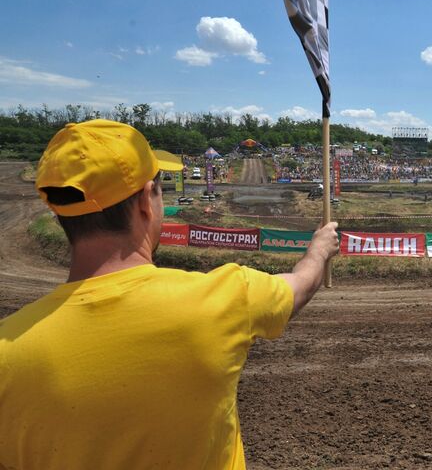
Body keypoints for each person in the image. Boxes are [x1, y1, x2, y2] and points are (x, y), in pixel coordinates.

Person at [0, 119, 339, 470]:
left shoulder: (6, 354)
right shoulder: (224, 297)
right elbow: (301, 285)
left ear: (59, 214)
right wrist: (319, 249)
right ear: (147, 201)